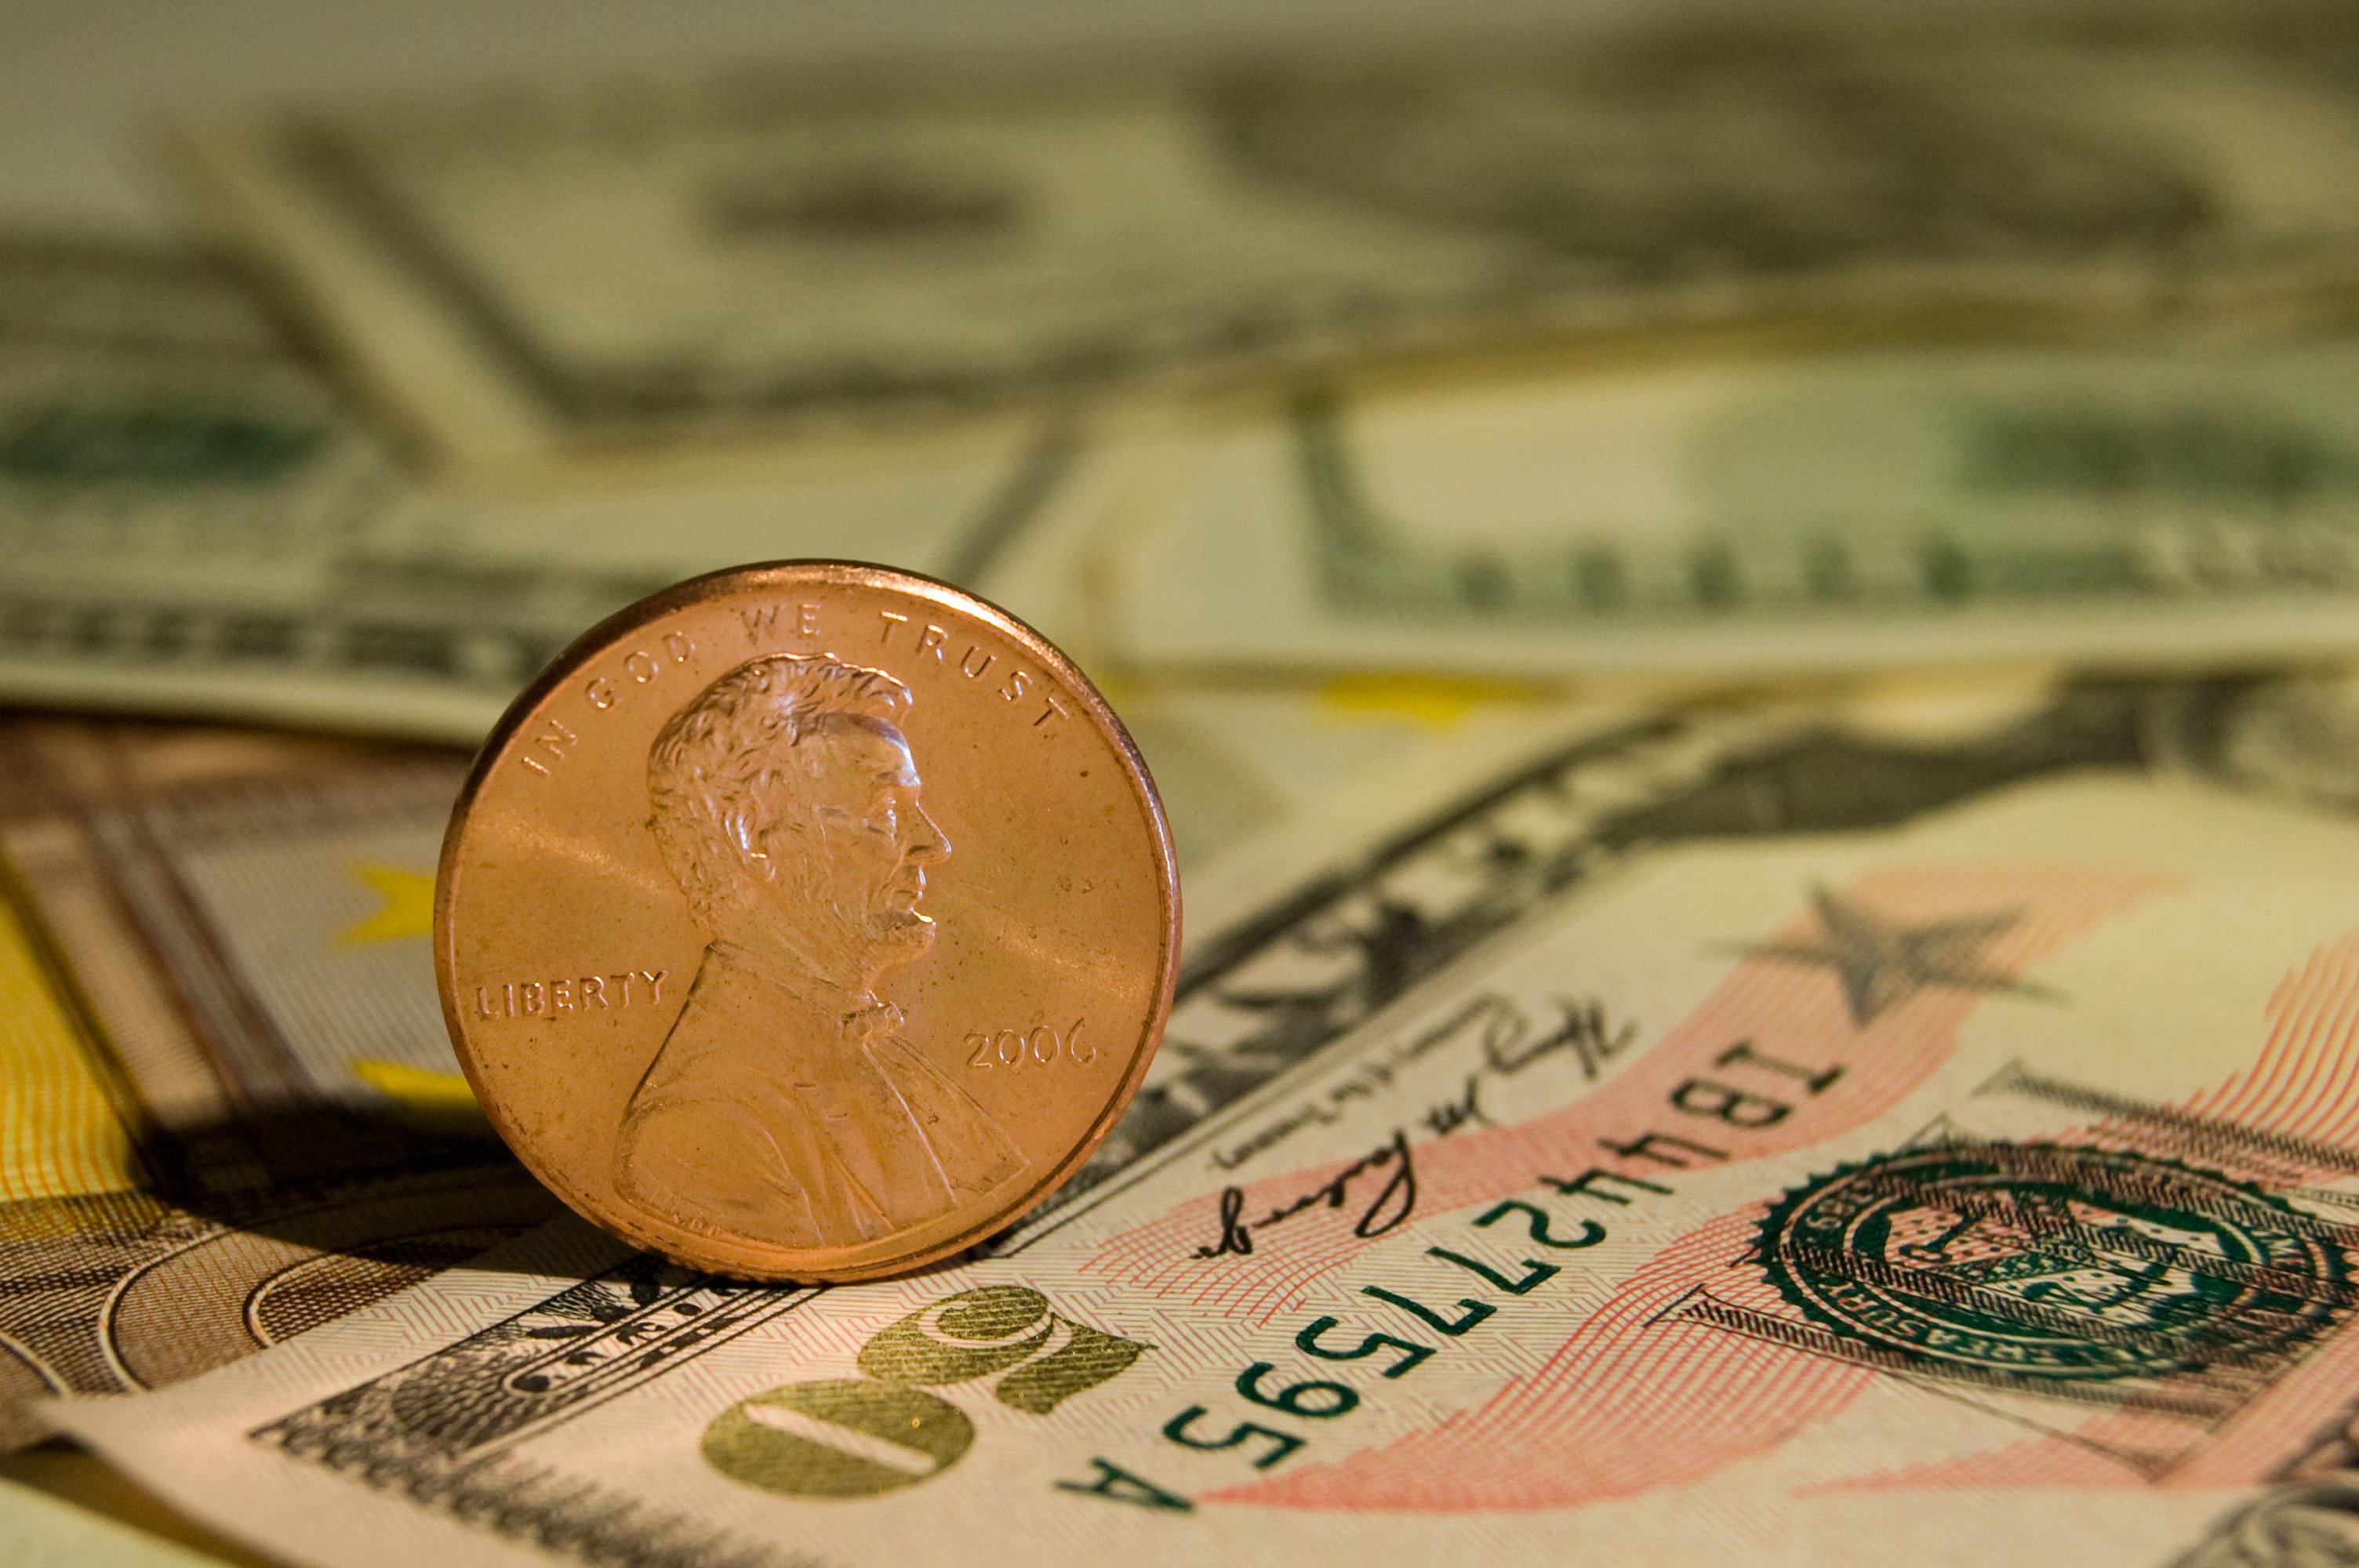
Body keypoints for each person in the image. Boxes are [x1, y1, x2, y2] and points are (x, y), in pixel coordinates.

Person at [615, 654, 1023, 1250]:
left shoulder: (893, 1059)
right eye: (885, 812)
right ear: (752, 839)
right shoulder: (696, 1129)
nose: (933, 844)